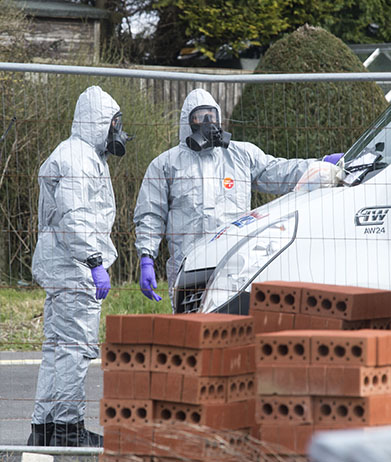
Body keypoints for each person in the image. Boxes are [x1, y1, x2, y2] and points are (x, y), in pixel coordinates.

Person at [133, 88, 341, 306]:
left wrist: (320, 164)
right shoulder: (166, 164)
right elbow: (150, 214)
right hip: (188, 265)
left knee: (236, 319)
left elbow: (278, 171)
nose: (207, 123)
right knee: (192, 321)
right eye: (199, 117)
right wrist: (146, 258)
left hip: (237, 262)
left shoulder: (241, 155)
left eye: (211, 116)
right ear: (187, 122)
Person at [28, 86, 129, 447]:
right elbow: (75, 216)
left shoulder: (79, 154)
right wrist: (94, 261)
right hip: (75, 267)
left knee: (57, 348)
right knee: (75, 348)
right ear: (98, 122)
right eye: (114, 123)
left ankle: (44, 431)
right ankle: (68, 431)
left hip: (65, 264)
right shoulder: (78, 159)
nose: (118, 131)